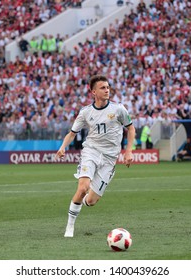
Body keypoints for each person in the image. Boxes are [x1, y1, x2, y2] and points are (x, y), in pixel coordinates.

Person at [55, 75, 135, 238]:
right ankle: (70, 226)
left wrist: (129, 151)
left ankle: (80, 203)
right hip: (91, 152)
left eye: (107, 87)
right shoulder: (86, 112)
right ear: (93, 92)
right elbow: (72, 133)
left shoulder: (119, 109)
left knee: (90, 201)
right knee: (83, 187)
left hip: (109, 158)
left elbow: (131, 129)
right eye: (102, 88)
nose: (107, 90)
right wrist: (63, 147)